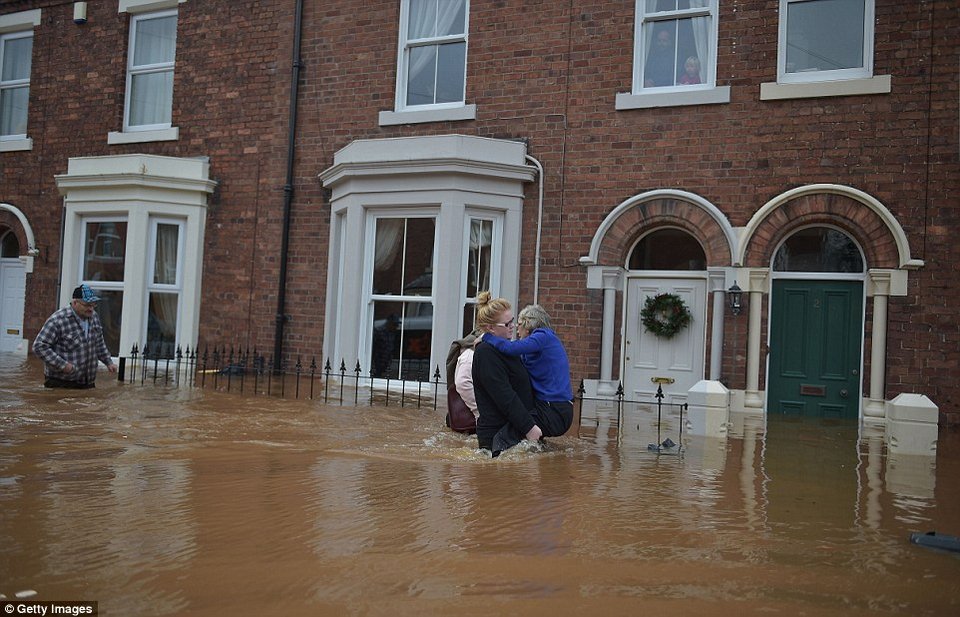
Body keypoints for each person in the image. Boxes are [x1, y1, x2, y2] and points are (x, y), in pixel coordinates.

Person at [477, 304, 574, 440]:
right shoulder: (533, 349)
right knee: (519, 436)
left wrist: (486, 337)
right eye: (509, 323)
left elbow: (511, 348)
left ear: (528, 325)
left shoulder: (543, 336)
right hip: (547, 406)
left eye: (518, 324)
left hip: (555, 408)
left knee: (505, 437)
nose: (516, 328)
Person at [471, 292, 544, 456]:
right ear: (490, 328)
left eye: (513, 321)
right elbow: (503, 395)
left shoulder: (508, 349)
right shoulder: (485, 353)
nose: (513, 326)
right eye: (507, 323)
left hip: (515, 430)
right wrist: (529, 427)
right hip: (498, 436)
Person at [33, 284, 117, 388]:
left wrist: (108, 362)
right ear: (75, 302)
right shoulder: (58, 320)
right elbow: (39, 346)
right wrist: (63, 365)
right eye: (87, 305)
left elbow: (99, 343)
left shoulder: (94, 317)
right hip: (61, 383)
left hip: (88, 382)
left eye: (93, 304)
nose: (91, 309)